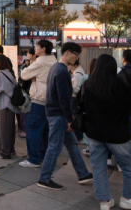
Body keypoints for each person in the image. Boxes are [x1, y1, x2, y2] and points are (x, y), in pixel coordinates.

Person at [83, 54, 131, 210]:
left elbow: (81, 105)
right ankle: (129, 198)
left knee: (98, 167)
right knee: (130, 165)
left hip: (94, 134)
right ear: (113, 68)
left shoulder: (88, 85)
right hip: (117, 134)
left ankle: (104, 201)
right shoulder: (119, 86)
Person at [37, 42, 92, 190]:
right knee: (54, 147)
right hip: (59, 115)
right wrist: (69, 119)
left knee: (72, 144)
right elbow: (64, 99)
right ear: (67, 52)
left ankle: (82, 174)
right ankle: (44, 178)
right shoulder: (62, 71)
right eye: (75, 54)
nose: (77, 58)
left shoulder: (56, 68)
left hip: (55, 114)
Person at [19, 40, 56, 168]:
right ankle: (42, 156)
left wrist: (33, 77)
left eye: (37, 47)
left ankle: (34, 159)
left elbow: (23, 74)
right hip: (50, 101)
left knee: (33, 130)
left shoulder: (40, 62)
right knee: (45, 131)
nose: (35, 49)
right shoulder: (53, 61)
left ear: (43, 49)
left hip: (39, 100)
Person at [0, 54, 20, 159]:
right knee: (9, 129)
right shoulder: (8, 73)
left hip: (5, 105)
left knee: (4, 129)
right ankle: (11, 149)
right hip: (11, 105)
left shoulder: (1, 75)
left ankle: (5, 152)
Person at [81, 58, 97, 157]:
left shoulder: (86, 77)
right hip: (97, 109)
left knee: (86, 128)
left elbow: (81, 91)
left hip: (87, 108)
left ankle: (89, 147)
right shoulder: (101, 79)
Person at [69, 59, 85, 143]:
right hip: (74, 98)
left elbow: (77, 89)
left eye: (69, 65)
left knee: (75, 117)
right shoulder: (76, 72)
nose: (69, 67)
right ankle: (78, 136)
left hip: (75, 98)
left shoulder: (77, 74)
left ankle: (79, 137)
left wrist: (68, 88)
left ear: (74, 65)